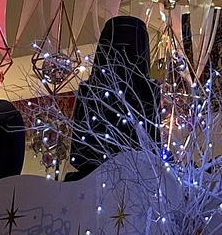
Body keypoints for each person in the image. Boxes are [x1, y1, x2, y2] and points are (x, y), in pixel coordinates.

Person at [66, 16, 160, 181]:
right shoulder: (147, 89)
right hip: (126, 177)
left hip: (99, 176)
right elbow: (152, 145)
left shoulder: (91, 89)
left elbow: (80, 150)